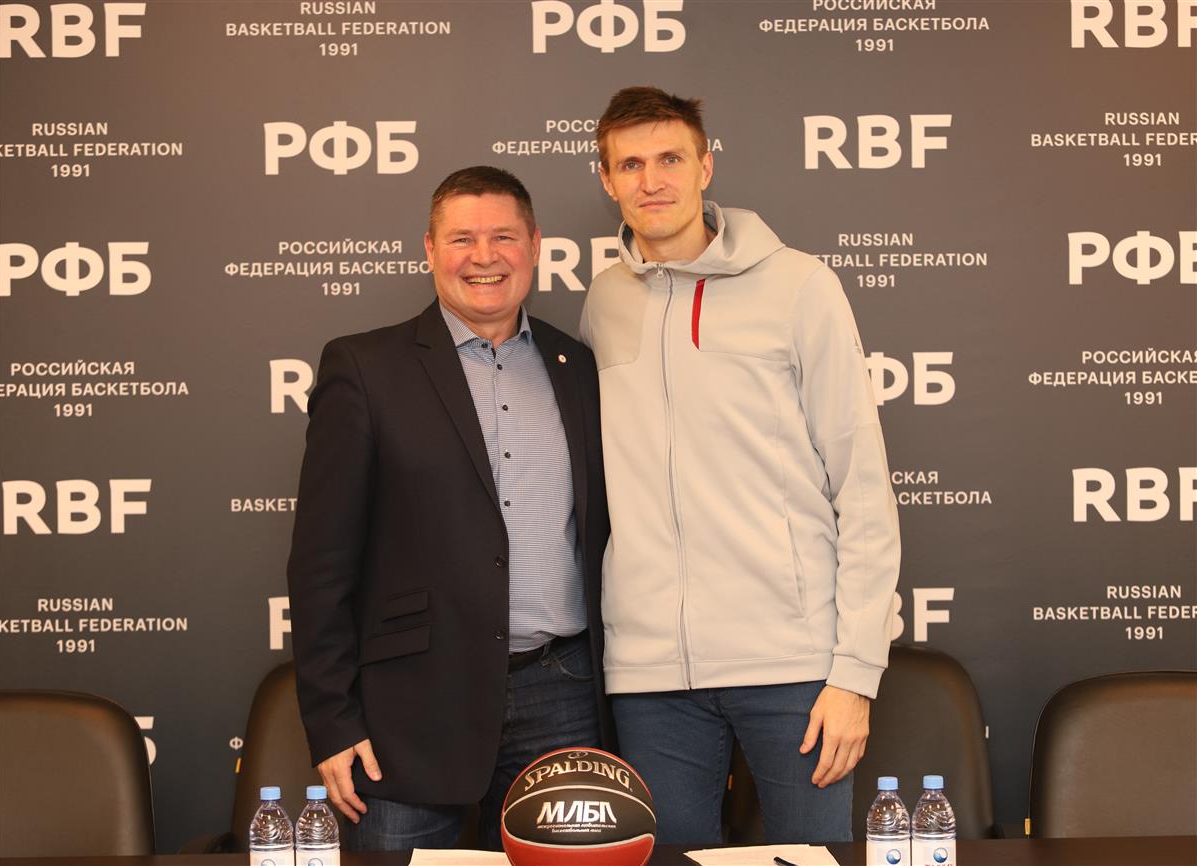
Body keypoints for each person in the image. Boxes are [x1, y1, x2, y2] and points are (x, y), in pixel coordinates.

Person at [579, 86, 901, 844]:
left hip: (792, 663)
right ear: (607, 181)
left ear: (705, 168)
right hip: (652, 676)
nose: (652, 180)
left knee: (810, 862)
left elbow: (861, 485)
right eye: (630, 164)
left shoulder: (800, 286)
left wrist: (855, 672)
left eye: (670, 159)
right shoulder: (604, 301)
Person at [287, 166, 611, 851]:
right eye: (462, 238)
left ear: (535, 246)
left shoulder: (577, 366)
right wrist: (332, 720)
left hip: (562, 694)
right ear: (430, 250)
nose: (483, 256)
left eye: (504, 237)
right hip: (411, 705)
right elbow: (321, 564)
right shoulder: (364, 368)